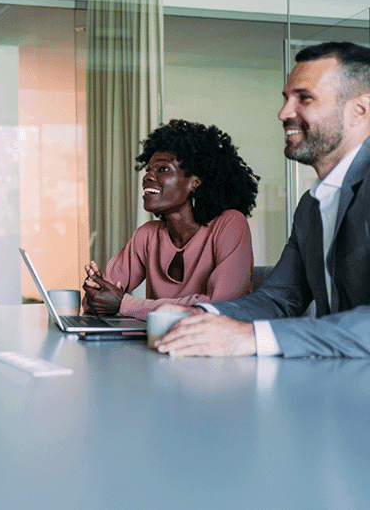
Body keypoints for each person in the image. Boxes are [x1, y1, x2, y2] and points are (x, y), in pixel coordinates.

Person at [155, 41, 370, 358]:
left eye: (304, 98)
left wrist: (249, 337)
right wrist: (203, 316)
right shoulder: (313, 204)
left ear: (359, 111)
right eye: (286, 99)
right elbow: (280, 298)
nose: (284, 113)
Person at [83, 120, 259, 320]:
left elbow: (220, 306)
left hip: (214, 347)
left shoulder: (230, 225)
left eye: (163, 169)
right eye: (149, 169)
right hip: (157, 345)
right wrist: (95, 288)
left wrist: (125, 304)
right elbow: (99, 301)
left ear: (195, 182)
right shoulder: (147, 235)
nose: (148, 176)